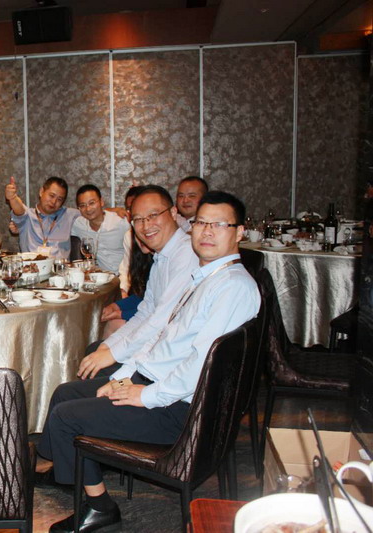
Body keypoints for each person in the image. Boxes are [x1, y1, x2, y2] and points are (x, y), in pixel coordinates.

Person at [40, 191, 260, 532]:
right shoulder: (208, 277)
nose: (206, 232)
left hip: (180, 411)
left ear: (239, 232)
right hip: (161, 385)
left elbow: (201, 366)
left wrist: (143, 394)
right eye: (201, 223)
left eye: (219, 224)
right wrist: (126, 377)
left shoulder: (231, 287)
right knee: (67, 394)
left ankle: (99, 508)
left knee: (66, 418)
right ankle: (77, 467)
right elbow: (164, 342)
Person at [78, 185, 199, 381]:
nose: (146, 225)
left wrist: (114, 355)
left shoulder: (185, 255)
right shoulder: (162, 256)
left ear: (174, 212)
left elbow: (161, 321)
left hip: (167, 364)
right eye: (138, 220)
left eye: (153, 215)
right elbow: (146, 309)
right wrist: (108, 347)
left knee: (67, 398)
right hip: (155, 347)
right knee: (95, 349)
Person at [5, 176, 79, 259]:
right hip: (32, 268)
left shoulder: (69, 215)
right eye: (51, 196)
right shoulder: (28, 216)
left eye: (59, 199)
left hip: (60, 269)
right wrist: (13, 198)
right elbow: (19, 210)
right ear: (41, 192)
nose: (54, 202)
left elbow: (89, 215)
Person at [70, 185, 130, 272]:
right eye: (82, 205)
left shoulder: (121, 222)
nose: (88, 209)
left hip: (124, 277)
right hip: (99, 278)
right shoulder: (78, 224)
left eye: (92, 203)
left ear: (101, 202)